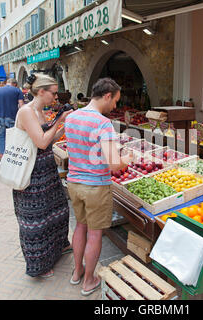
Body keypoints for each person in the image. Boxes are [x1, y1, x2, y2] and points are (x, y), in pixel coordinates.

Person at [65, 78, 133, 296]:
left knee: (80, 227)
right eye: (115, 101)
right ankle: (89, 281)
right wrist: (127, 158)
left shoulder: (72, 117)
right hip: (95, 186)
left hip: (74, 183)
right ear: (107, 96)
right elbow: (114, 165)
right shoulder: (103, 124)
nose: (115, 107)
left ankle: (77, 273)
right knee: (95, 234)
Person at [12, 73, 73, 278]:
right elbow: (41, 142)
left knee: (58, 211)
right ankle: (39, 265)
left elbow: (50, 138)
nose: (56, 98)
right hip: (32, 174)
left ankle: (58, 249)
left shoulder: (39, 110)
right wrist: (59, 119)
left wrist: (62, 125)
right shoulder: (26, 112)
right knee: (37, 221)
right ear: (41, 91)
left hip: (46, 171)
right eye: (53, 94)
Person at [0, 78, 25, 158]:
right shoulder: (17, 91)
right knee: (13, 138)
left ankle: (2, 158)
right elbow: (21, 106)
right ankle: (11, 159)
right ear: (15, 84)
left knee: (1, 138)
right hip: (12, 117)